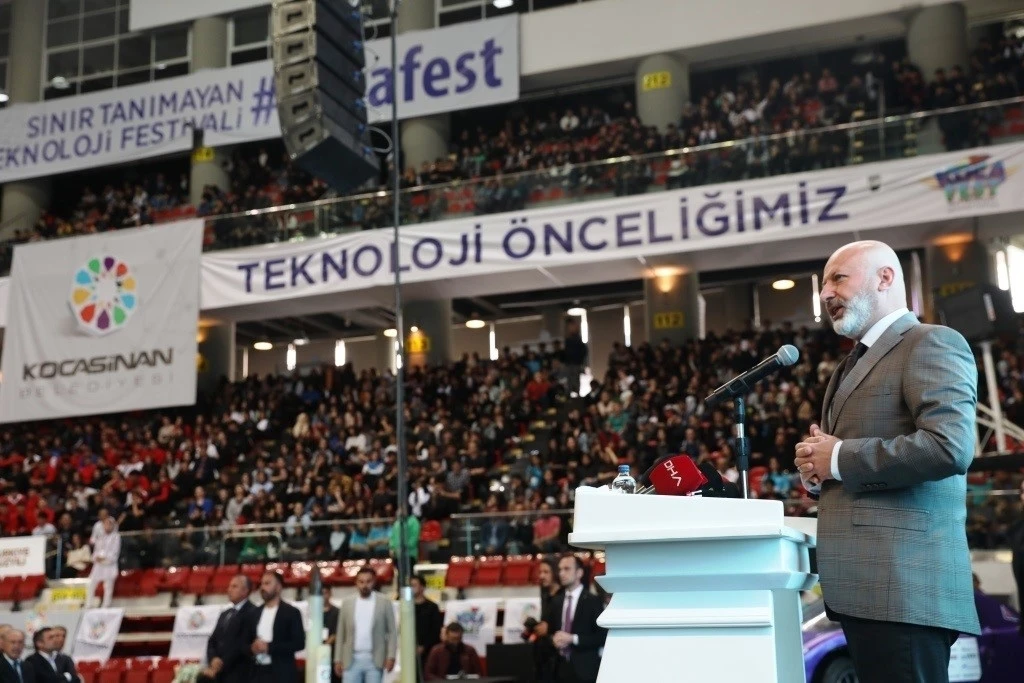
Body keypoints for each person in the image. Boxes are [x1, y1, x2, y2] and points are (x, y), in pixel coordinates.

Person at [795, 240, 980, 683]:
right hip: (865, 590)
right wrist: (819, 469)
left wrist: (839, 458)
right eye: (823, 284)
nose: (825, 293)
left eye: (838, 278)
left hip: (905, 586)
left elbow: (949, 446)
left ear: (885, 278)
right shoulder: (850, 364)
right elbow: (844, 461)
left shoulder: (931, 342)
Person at [541, 555, 606, 683]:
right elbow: (549, 634)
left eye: (567, 569)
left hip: (586, 671)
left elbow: (601, 637)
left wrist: (573, 639)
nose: (561, 573)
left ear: (579, 573)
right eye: (560, 569)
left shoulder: (593, 601)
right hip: (559, 670)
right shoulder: (556, 601)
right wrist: (553, 639)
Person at [333, 567, 396, 683]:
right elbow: (341, 632)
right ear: (356, 583)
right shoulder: (347, 603)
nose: (365, 585)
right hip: (351, 659)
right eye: (361, 582)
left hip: (375, 659)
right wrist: (337, 659)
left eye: (368, 581)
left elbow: (392, 631)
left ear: (374, 582)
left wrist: (391, 656)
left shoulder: (384, 602)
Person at [243, 572, 305, 683]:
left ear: (278, 587)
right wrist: (252, 648)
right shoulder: (254, 613)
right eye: (261, 584)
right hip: (257, 673)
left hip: (281, 673)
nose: (262, 587)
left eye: (267, 583)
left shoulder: (291, 612)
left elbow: (299, 643)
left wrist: (269, 647)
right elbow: (244, 642)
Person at [202, 575, 256, 683]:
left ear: (245, 591)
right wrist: (213, 659)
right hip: (219, 675)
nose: (229, 590)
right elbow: (213, 640)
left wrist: (221, 664)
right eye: (229, 586)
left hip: (239, 674)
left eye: (234, 586)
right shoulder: (225, 614)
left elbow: (243, 643)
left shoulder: (253, 612)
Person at [409, 575, 441, 675]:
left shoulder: (432, 607)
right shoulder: (405, 607)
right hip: (407, 650)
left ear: (422, 587)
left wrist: (423, 646)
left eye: (414, 585)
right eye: (410, 586)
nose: (411, 588)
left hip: (428, 651)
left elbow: (435, 630)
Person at [87, 516, 120, 608]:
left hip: (109, 565)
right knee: (91, 583)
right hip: (98, 565)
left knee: (108, 586)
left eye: (109, 524)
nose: (107, 526)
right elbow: (96, 550)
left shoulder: (116, 537)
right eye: (105, 524)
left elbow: (115, 552)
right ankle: (89, 604)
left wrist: (104, 558)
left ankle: (106, 605)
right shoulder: (100, 537)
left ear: (113, 526)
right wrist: (96, 557)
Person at [322, 585, 340, 683]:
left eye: (325, 593)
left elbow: (337, 633)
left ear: (330, 594)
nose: (323, 596)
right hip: (316, 652)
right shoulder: (314, 612)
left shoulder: (336, 612)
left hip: (331, 653)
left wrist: (325, 646)